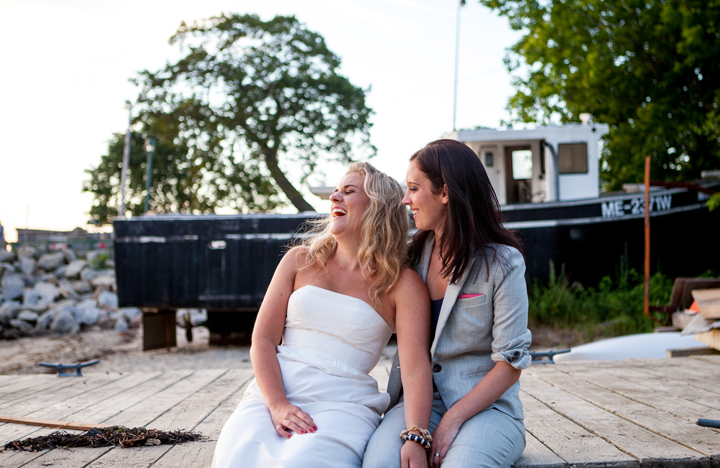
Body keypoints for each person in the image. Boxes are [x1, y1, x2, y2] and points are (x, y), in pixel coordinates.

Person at [212, 162, 433, 468]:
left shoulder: (402, 284)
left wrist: (415, 435)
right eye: (335, 192)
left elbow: (415, 369)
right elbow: (262, 339)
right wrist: (277, 405)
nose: (334, 198)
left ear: (377, 207)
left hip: (343, 407)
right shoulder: (299, 260)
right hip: (272, 397)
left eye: (349, 191)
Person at [363, 140, 533, 467]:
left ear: (445, 193)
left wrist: (453, 419)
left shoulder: (503, 263)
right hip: (414, 404)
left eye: (414, 188)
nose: (406, 199)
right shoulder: (410, 259)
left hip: (487, 409)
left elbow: (510, 364)